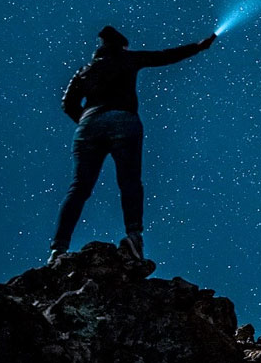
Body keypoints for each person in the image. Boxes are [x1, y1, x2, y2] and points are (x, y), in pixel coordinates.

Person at [49, 25, 217, 265]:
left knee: (79, 187)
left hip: (88, 126)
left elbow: (68, 103)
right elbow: (163, 56)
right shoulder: (127, 58)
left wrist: (88, 120)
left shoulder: (84, 70)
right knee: (129, 181)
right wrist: (198, 47)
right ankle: (134, 238)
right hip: (123, 120)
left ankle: (58, 248)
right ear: (121, 45)